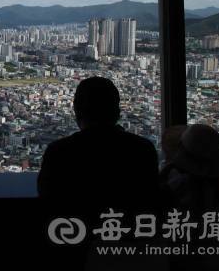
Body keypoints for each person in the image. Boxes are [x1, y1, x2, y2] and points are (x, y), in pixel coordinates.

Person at [35, 77, 160, 270]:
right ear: (117, 112)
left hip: (74, 254)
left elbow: (47, 199)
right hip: (137, 257)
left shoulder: (60, 152)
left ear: (76, 112)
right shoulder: (143, 149)